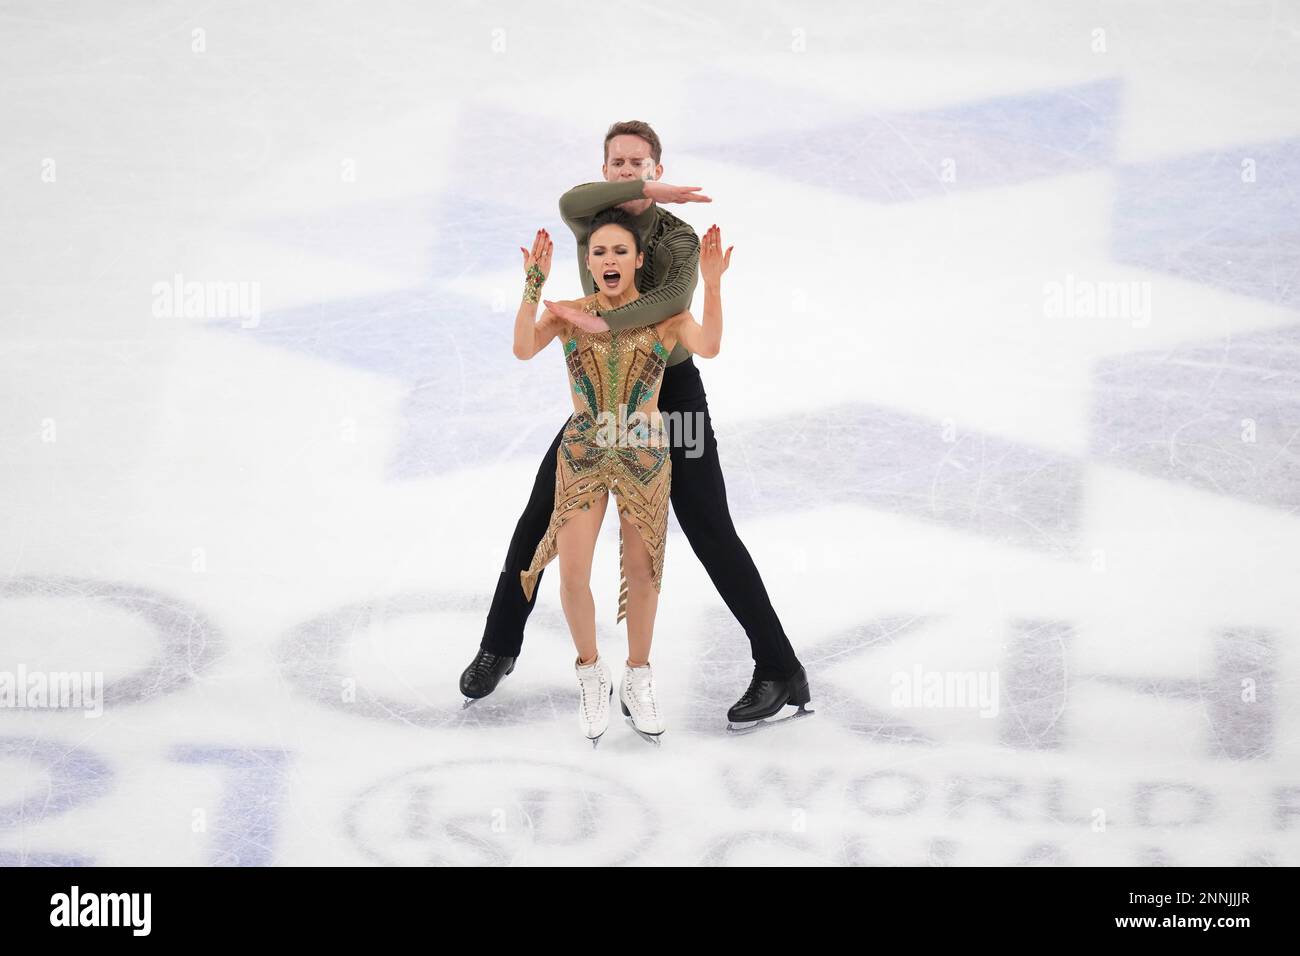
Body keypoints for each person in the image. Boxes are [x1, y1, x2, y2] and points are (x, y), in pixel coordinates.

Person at [461, 120, 810, 729]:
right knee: (540, 516)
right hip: (600, 400)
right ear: (607, 170)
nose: (626, 170)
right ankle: (500, 646)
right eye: (616, 163)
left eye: (637, 163)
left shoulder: (676, 238)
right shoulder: (588, 222)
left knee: (709, 528)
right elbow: (569, 201)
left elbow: (673, 306)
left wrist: (599, 323)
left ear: (655, 165)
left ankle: (779, 666)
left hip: (668, 399)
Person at [512, 209, 725, 743]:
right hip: (584, 451)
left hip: (644, 454)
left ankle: (638, 675)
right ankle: (590, 672)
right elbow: (522, 348)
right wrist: (532, 288)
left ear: (637, 261)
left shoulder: (665, 317)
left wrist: (713, 286)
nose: (610, 260)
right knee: (573, 573)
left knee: (643, 568)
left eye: (620, 252)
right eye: (600, 252)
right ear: (589, 261)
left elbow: (710, 345)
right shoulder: (568, 314)